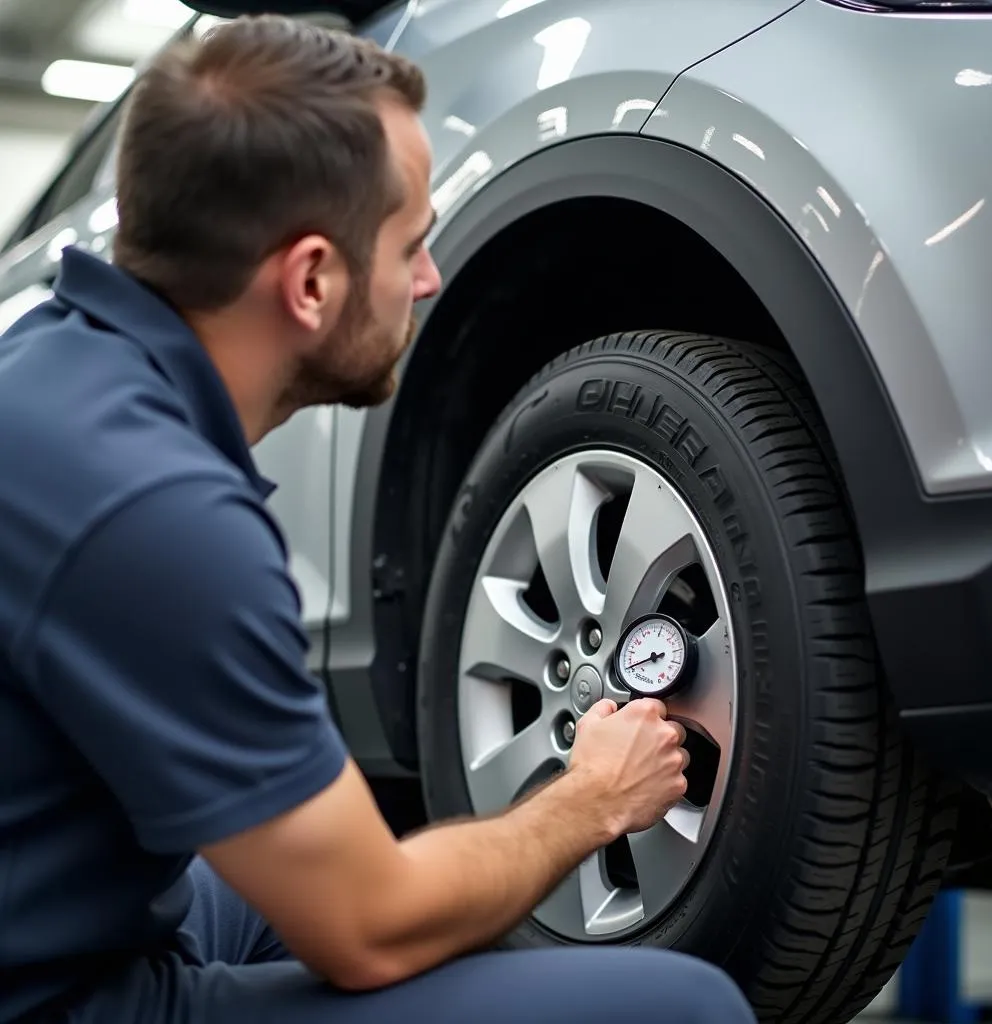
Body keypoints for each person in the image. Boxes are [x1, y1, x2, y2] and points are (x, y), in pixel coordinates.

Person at [0, 14, 756, 1024]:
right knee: (684, 1006)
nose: (430, 278)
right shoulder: (160, 513)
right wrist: (588, 802)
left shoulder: (48, 369)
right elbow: (367, 931)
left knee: (276, 893)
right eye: (411, 243)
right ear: (310, 280)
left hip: (48, 921)